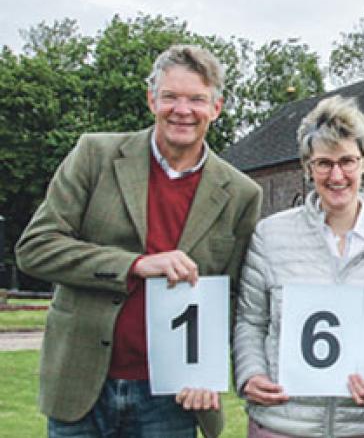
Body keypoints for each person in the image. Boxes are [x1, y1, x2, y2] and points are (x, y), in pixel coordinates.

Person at [16, 45, 262, 437]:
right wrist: (133, 265)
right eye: (170, 97)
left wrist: (208, 374)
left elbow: (231, 297)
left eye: (197, 99)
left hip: (171, 398)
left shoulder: (241, 193)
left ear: (216, 108)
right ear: (152, 100)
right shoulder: (94, 155)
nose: (182, 110)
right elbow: (35, 248)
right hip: (82, 385)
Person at [233, 95, 364, 438]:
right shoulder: (271, 235)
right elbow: (251, 319)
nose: (337, 175)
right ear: (308, 167)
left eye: (347, 161)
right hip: (284, 424)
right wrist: (251, 374)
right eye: (323, 163)